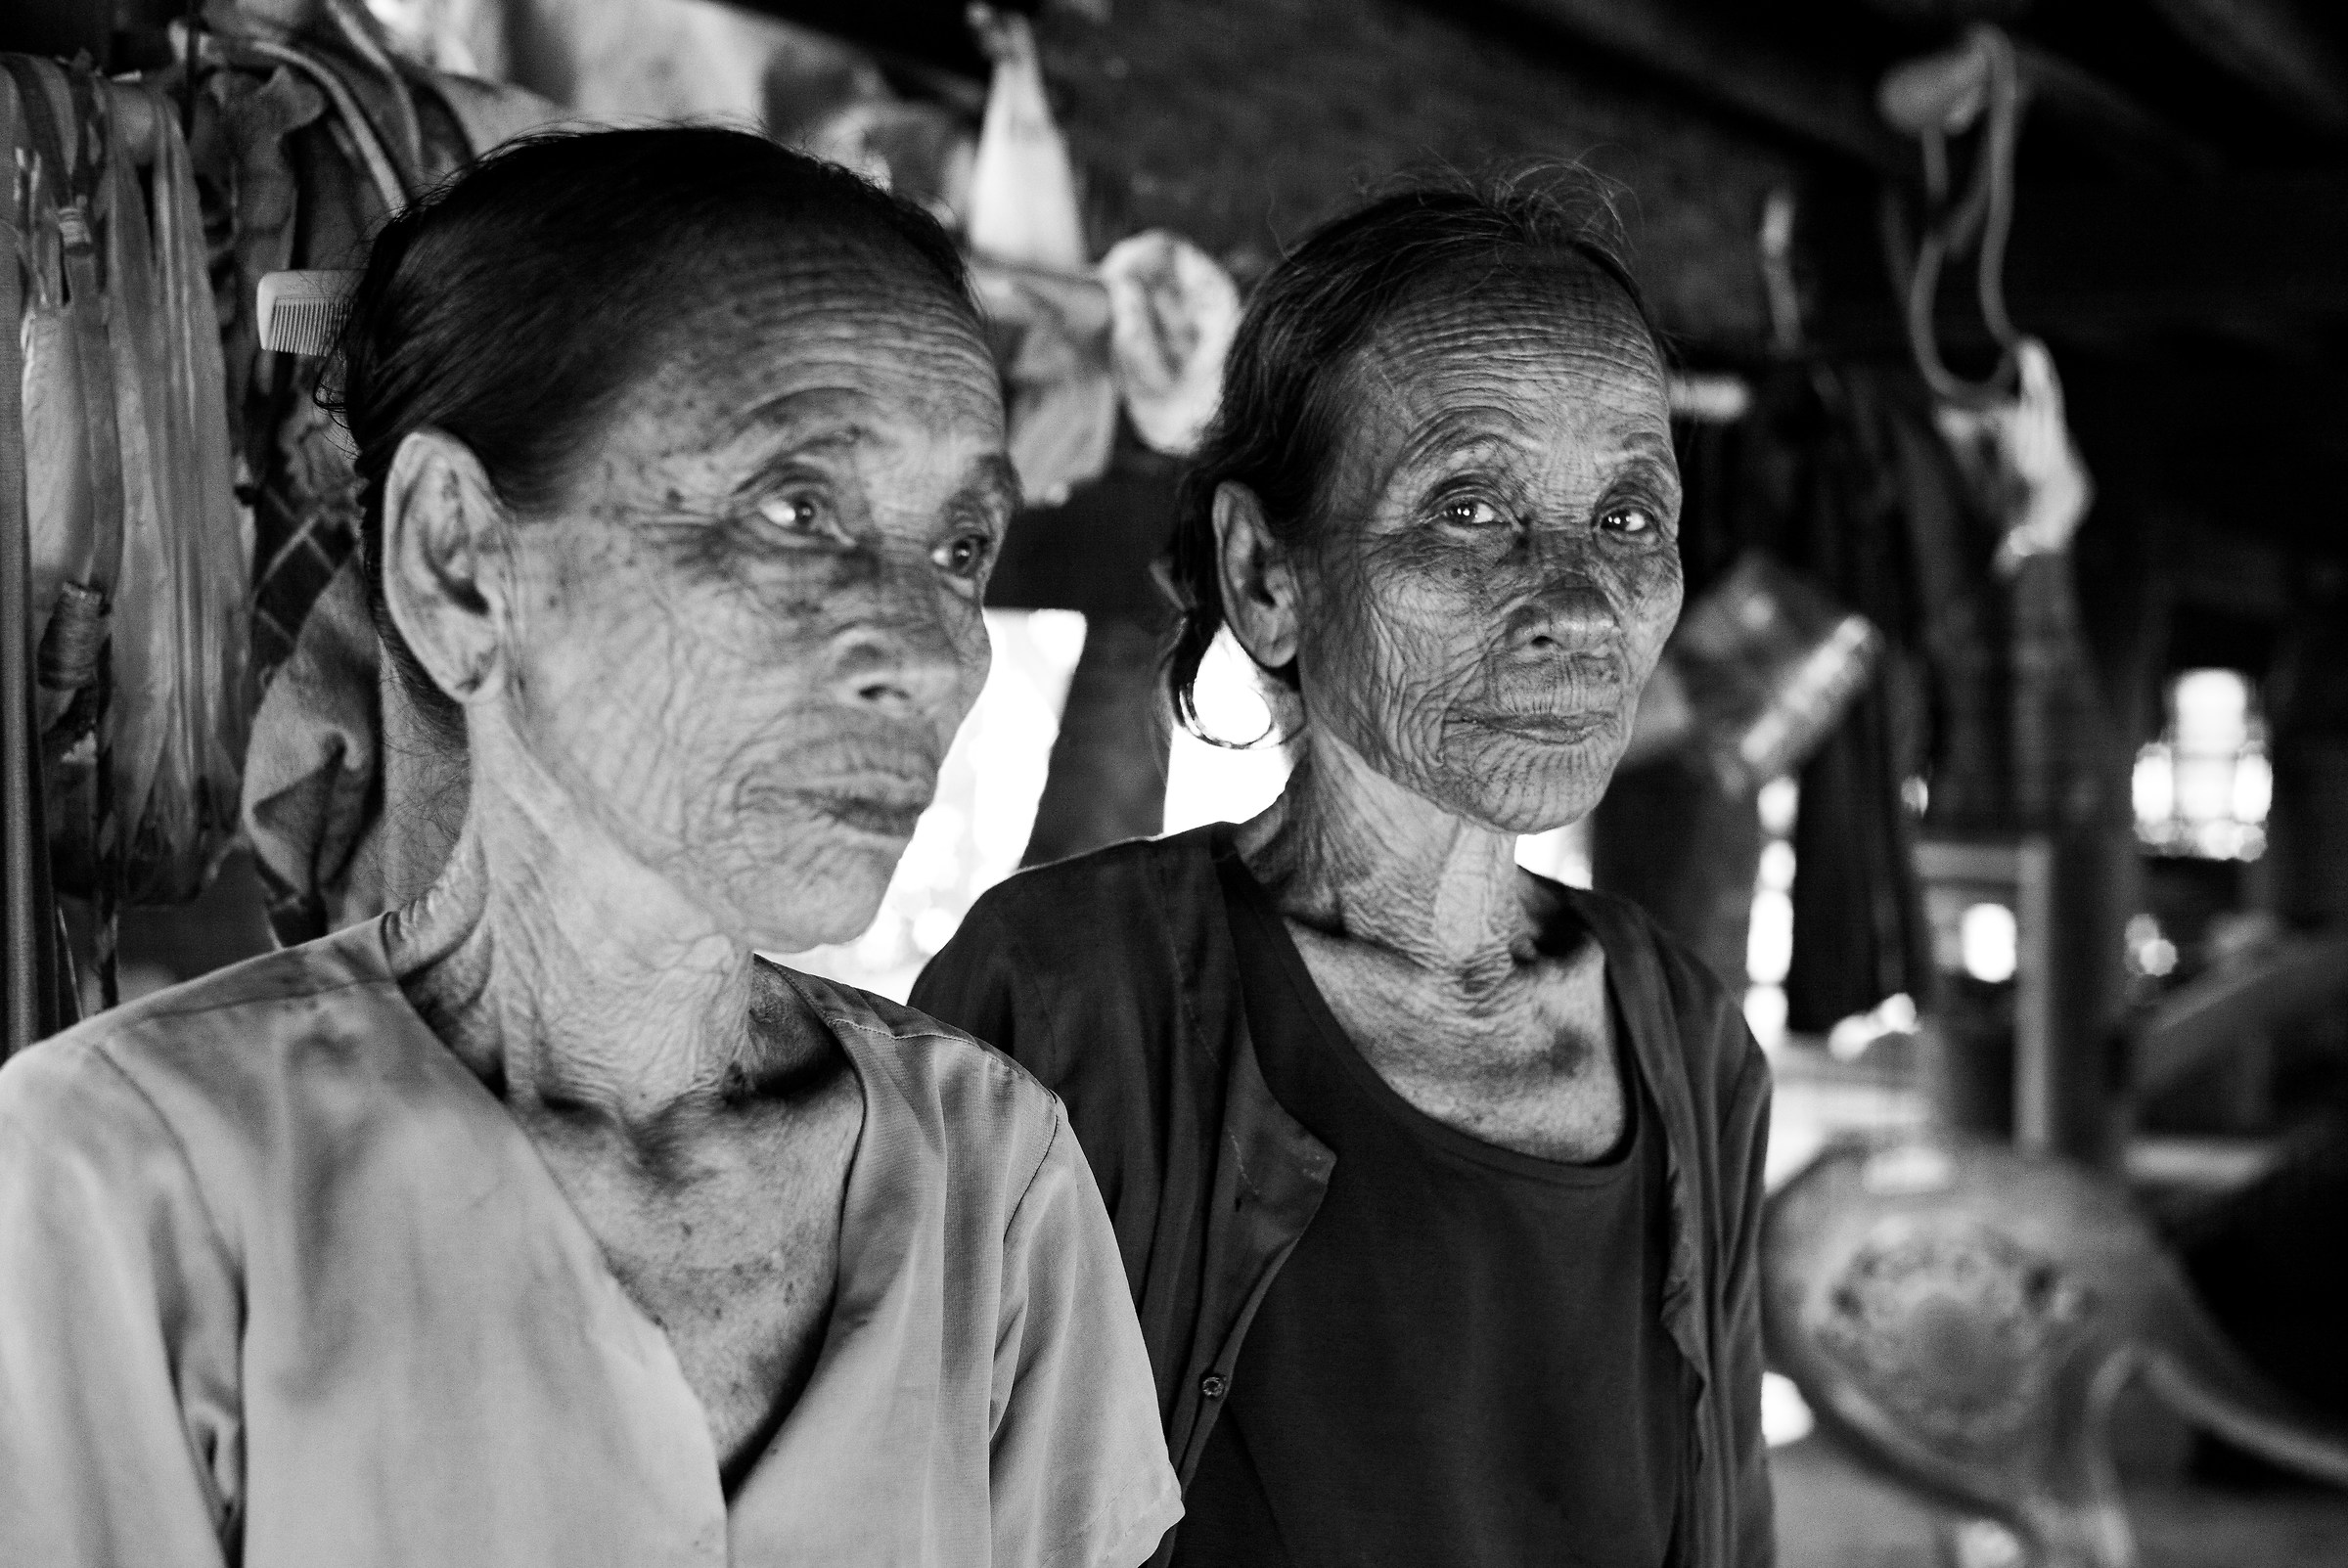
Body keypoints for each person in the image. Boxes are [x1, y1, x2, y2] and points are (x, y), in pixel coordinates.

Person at [0, 129, 1180, 1568]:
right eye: (797, 509)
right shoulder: (123, 1167)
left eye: (959, 549)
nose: (935, 655)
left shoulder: (991, 1175)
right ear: (459, 563)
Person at [913, 180, 1773, 1568]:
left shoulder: (1685, 1036)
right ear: (1266, 576)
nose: (1575, 604)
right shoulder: (1067, 1000)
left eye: (1627, 519)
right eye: (1473, 507)